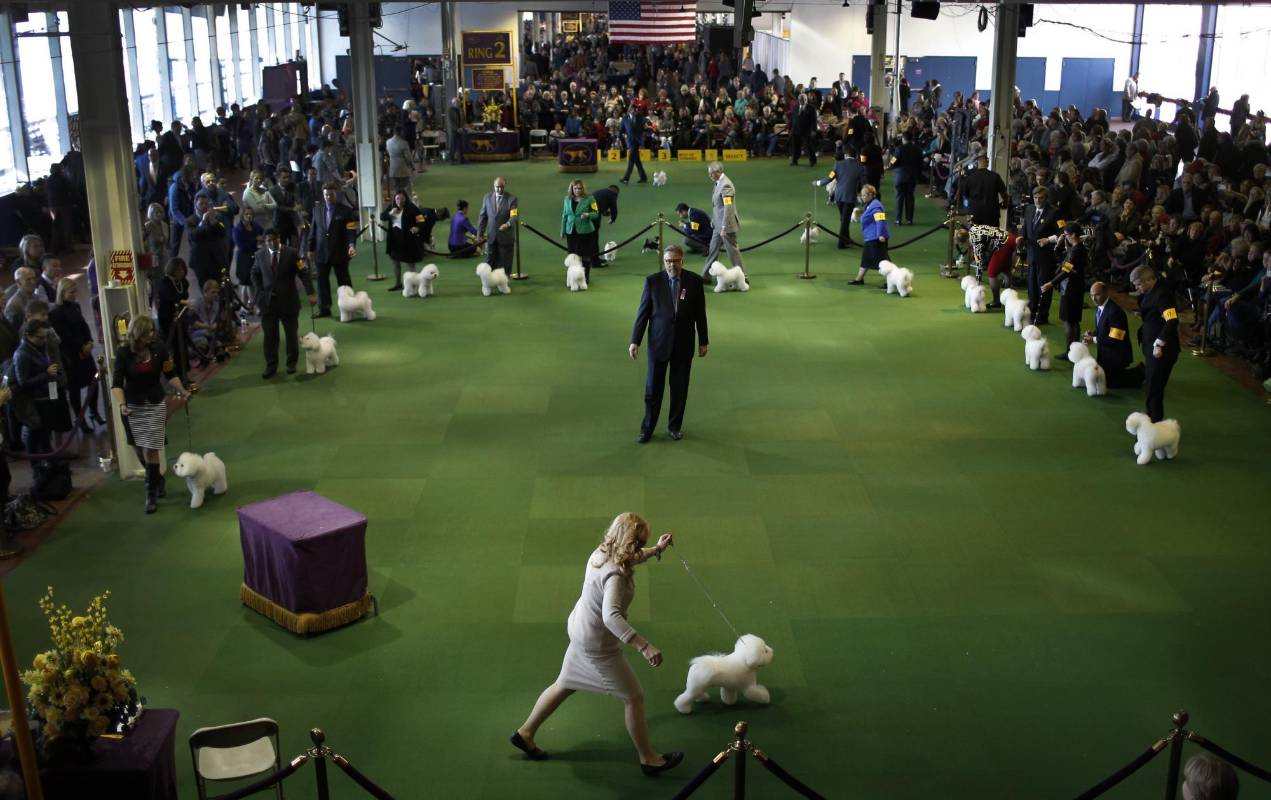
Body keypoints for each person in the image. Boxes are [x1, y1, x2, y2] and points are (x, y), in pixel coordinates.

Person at [511, 513, 682, 775]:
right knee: (634, 697)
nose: (639, 549)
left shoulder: (601, 553)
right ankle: (649, 759)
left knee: (564, 683)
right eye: (638, 543)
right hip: (598, 646)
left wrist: (656, 550)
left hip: (580, 631)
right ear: (628, 542)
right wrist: (645, 646)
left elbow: (628, 558)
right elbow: (611, 617)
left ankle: (525, 733)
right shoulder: (616, 576)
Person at [629, 245, 709, 443]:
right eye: (667, 261)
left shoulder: (694, 282)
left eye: (675, 261)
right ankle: (647, 429)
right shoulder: (652, 282)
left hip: (684, 344)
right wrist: (635, 341)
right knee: (652, 390)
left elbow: (701, 314)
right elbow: (643, 314)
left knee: (679, 389)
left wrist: (704, 340)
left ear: (682, 261)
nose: (671, 265)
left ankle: (674, 427)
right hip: (658, 344)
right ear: (663, 262)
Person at [111, 315, 188, 513]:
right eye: (147, 333)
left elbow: (170, 373)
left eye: (152, 332)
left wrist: (182, 390)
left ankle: (150, 494)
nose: (151, 335)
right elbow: (117, 384)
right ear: (136, 335)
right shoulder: (123, 353)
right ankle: (157, 479)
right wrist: (122, 404)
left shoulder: (159, 349)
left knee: (150, 449)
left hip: (155, 403)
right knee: (138, 449)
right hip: (132, 406)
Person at [252, 228, 316, 379]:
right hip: (268, 303)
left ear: (279, 238)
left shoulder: (292, 253)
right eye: (268, 240)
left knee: (291, 334)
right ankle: (271, 366)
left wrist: (311, 293)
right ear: (264, 241)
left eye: (274, 239)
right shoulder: (259, 255)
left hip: (289, 301)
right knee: (269, 337)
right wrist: (259, 294)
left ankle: (291, 363)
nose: (271, 242)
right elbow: (254, 274)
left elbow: (303, 273)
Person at [48, 278, 99, 433]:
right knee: (75, 390)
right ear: (62, 293)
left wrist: (89, 342)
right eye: (71, 292)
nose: (75, 295)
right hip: (71, 356)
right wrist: (81, 348)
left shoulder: (75, 306)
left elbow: (84, 326)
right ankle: (80, 419)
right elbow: (64, 336)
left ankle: (93, 411)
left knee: (94, 383)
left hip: (85, 350)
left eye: (75, 291)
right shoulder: (56, 312)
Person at [1131, 265, 1180, 422]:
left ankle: (1154, 423)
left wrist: (1159, 342)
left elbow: (1172, 320)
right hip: (1151, 347)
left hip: (1162, 350)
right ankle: (1151, 418)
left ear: (1149, 279)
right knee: (1152, 385)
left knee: (1153, 387)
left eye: (1138, 284)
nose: (1136, 288)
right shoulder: (1150, 292)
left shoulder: (1163, 295)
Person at [308, 182, 358, 318]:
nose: (328, 197)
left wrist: (351, 245)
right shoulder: (317, 210)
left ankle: (351, 306)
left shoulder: (346, 211)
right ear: (323, 195)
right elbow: (313, 231)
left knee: (344, 281)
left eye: (331, 194)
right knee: (322, 282)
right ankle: (324, 309)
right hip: (321, 252)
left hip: (340, 252)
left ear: (336, 194)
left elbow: (350, 230)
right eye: (326, 194)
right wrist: (310, 249)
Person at [1083, 281, 1143, 389]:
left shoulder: (1115, 312)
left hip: (1117, 356)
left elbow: (1116, 338)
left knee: (1109, 383)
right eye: (1091, 295)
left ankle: (1140, 372)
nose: (1093, 298)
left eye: (1097, 294)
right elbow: (1105, 329)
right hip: (1105, 353)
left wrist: (1095, 339)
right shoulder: (1100, 307)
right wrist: (1094, 332)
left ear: (1106, 293)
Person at [1041, 225, 1088, 354]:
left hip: (1070, 288)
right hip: (1075, 287)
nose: (1065, 236)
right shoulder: (1076, 248)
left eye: (1066, 234)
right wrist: (1060, 244)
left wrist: (1051, 283)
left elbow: (1066, 270)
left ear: (1073, 235)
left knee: (1069, 321)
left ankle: (1069, 351)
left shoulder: (1076, 250)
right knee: (1074, 321)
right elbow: (1060, 260)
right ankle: (1074, 351)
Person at [1022, 186, 1061, 325]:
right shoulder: (1029, 209)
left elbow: (1061, 233)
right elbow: (1025, 227)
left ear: (1046, 198)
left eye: (1041, 198)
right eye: (1035, 197)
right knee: (1031, 286)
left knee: (1043, 286)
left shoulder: (1055, 212)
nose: (1038, 200)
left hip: (1046, 256)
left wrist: (1048, 240)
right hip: (1031, 254)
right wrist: (1021, 237)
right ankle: (1032, 313)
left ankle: (1042, 315)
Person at [814, 143, 864, 248]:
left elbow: (829, 178)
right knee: (845, 220)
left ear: (846, 155)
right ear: (855, 155)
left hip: (839, 196)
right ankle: (841, 243)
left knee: (843, 219)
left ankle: (847, 238)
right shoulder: (860, 167)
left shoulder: (838, 164)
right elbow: (863, 183)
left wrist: (818, 183)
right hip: (850, 197)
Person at [703, 162, 745, 278]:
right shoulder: (718, 182)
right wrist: (714, 219)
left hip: (726, 226)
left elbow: (728, 208)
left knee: (733, 252)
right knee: (713, 250)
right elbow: (718, 206)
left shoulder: (726, 185)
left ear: (718, 172)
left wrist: (724, 227)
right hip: (718, 224)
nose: (709, 175)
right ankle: (705, 276)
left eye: (711, 173)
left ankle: (743, 277)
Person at [381, 189, 427, 291]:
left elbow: (421, 221)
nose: (399, 201)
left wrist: (417, 228)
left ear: (406, 198)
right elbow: (382, 217)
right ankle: (398, 283)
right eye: (397, 198)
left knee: (410, 263)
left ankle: (415, 284)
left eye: (402, 198)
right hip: (394, 239)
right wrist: (390, 214)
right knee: (395, 261)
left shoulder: (412, 208)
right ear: (394, 199)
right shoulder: (391, 207)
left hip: (408, 239)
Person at [560, 180, 601, 283]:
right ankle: (572, 278)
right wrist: (562, 230)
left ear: (583, 189)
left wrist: (588, 215)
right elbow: (564, 215)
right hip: (571, 231)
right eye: (575, 188)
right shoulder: (567, 199)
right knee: (572, 257)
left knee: (585, 256)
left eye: (579, 188)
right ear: (572, 189)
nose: (577, 190)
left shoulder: (590, 199)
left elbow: (596, 213)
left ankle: (585, 277)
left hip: (586, 232)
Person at [477, 176, 518, 274]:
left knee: (505, 264)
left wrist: (507, 224)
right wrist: (480, 233)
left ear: (505, 186)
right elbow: (483, 216)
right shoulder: (487, 197)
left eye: (502, 187)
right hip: (491, 236)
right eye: (497, 187)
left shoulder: (512, 199)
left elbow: (514, 216)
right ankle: (488, 282)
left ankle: (504, 284)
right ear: (494, 186)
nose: (500, 189)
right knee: (490, 262)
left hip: (506, 237)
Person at [849, 184, 889, 285]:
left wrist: (880, 235)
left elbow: (880, 221)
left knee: (883, 262)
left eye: (864, 195)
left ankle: (892, 280)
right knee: (866, 258)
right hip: (870, 237)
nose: (862, 197)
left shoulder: (876, 206)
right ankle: (859, 279)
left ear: (871, 195)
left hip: (876, 238)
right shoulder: (869, 205)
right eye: (862, 195)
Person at [960, 156, 1009, 226]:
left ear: (977, 164)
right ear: (987, 163)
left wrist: (967, 211)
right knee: (992, 234)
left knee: (976, 234)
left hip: (975, 212)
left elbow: (965, 195)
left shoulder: (970, 177)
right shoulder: (995, 176)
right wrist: (1004, 204)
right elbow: (1004, 193)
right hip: (992, 213)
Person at [232, 206, 264, 313]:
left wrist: (262, 239)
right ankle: (256, 306)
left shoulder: (255, 225)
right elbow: (241, 246)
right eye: (247, 214)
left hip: (254, 256)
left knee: (245, 284)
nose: (249, 216)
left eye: (251, 214)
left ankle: (244, 306)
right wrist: (255, 240)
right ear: (242, 215)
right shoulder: (237, 229)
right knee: (249, 283)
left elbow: (262, 233)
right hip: (244, 258)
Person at [890, 131, 923, 225]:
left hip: (900, 176)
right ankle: (909, 219)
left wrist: (891, 166)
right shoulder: (918, 149)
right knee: (910, 197)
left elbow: (893, 161)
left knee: (899, 198)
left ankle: (898, 219)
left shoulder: (899, 149)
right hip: (912, 177)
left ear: (903, 139)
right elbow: (920, 164)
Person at [620, 107, 649, 185]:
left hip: (637, 142)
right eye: (632, 110)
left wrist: (650, 130)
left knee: (631, 160)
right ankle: (643, 177)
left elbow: (646, 128)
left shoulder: (641, 118)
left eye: (635, 110)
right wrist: (619, 138)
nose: (634, 111)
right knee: (636, 160)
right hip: (629, 141)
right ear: (629, 111)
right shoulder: (625, 118)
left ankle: (626, 178)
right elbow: (621, 130)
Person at [789, 92, 818, 167]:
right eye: (801, 99)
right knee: (795, 147)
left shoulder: (811, 108)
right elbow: (792, 119)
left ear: (807, 99)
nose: (803, 100)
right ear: (798, 100)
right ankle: (794, 161)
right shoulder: (795, 107)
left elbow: (814, 120)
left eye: (805, 99)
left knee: (809, 146)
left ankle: (813, 161)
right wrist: (790, 128)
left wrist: (814, 130)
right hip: (796, 130)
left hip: (807, 130)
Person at [385, 126, 413, 194]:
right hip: (403, 169)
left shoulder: (388, 142)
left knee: (396, 190)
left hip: (393, 169)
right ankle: (406, 203)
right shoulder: (404, 143)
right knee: (406, 188)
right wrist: (412, 165)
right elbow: (408, 157)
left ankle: (396, 203)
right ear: (401, 132)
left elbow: (387, 153)